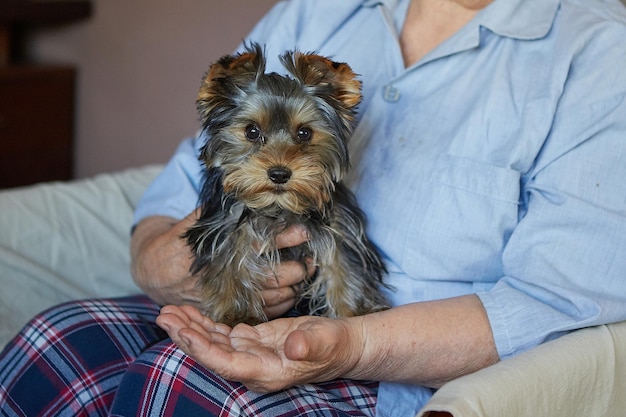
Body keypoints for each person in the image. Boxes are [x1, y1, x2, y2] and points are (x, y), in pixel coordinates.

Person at [1, 0, 626, 415]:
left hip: (403, 367)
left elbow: (558, 304)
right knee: (51, 342)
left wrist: (353, 345)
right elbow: (190, 174)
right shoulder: (323, 10)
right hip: (236, 291)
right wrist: (158, 261)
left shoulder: (599, 53)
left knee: (175, 385)